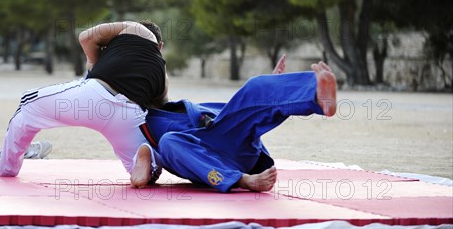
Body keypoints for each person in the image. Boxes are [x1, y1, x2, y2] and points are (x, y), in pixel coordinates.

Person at [0, 20, 168, 188]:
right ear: (160, 46)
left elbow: (86, 37)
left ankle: (7, 169)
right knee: (147, 171)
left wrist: (94, 63)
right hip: (129, 114)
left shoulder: (135, 28)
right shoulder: (162, 74)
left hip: (94, 95)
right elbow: (160, 111)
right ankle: (147, 160)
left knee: (28, 104)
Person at [141, 59, 337, 193]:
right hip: (209, 161)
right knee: (168, 142)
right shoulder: (137, 120)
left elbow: (240, 112)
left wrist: (272, 90)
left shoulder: (179, 107)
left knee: (255, 86)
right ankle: (240, 180)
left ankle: (317, 98)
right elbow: (141, 168)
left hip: (232, 143)